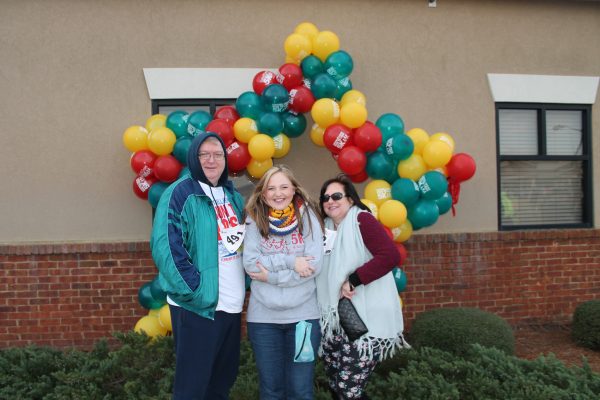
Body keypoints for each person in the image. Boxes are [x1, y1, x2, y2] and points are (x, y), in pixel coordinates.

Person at [151, 132, 246, 400]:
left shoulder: (232, 196)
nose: (212, 160)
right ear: (194, 157)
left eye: (218, 154)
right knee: (192, 389)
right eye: (205, 154)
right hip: (198, 306)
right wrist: (195, 289)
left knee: (221, 384)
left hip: (231, 304)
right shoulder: (180, 193)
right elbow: (166, 247)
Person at [316, 174, 409, 400]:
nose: (330, 201)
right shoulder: (325, 228)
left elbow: (390, 256)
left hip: (364, 320)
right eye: (325, 197)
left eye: (337, 195)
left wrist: (354, 279)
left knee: (348, 390)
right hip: (335, 320)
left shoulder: (362, 220)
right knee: (340, 387)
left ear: (350, 199)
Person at [243, 165, 324, 400]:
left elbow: (312, 266)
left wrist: (271, 276)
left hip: (303, 320)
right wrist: (291, 261)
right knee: (271, 390)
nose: (278, 193)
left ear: (294, 189)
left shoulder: (308, 217)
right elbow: (250, 264)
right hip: (263, 322)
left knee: (300, 390)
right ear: (263, 193)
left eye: (284, 187)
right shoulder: (254, 218)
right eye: (271, 188)